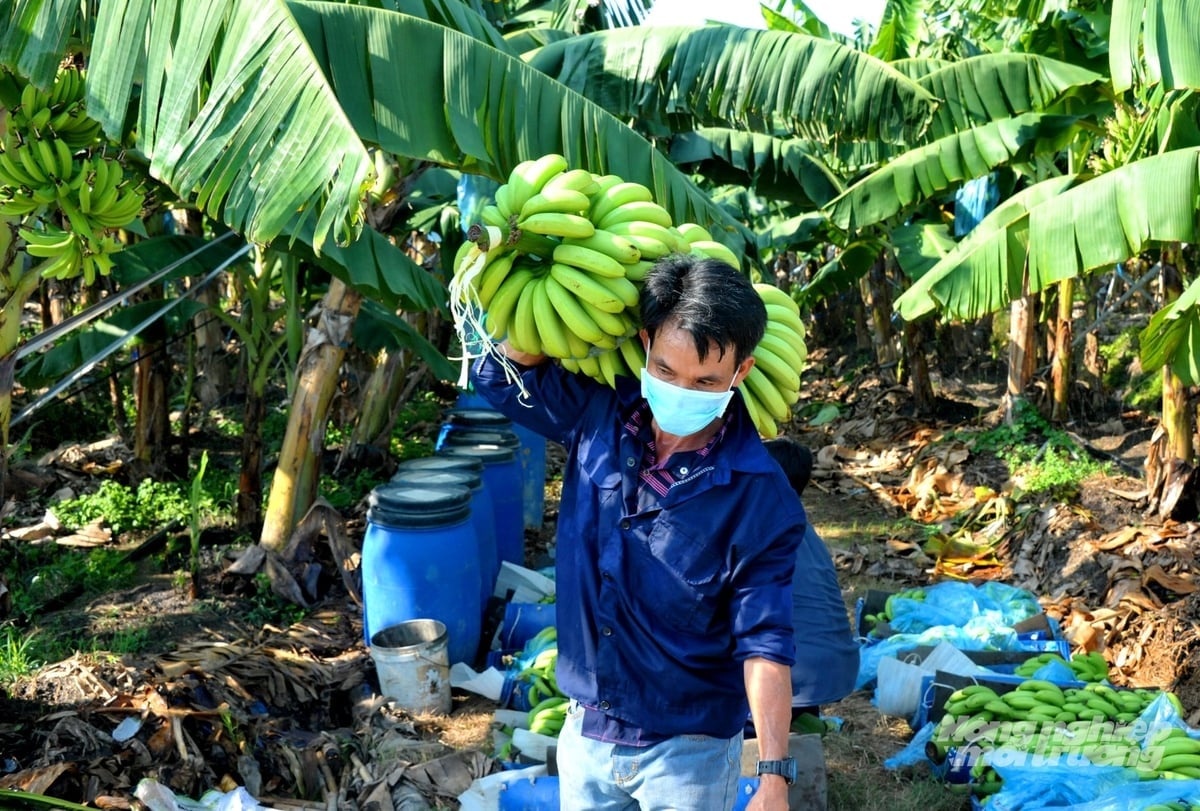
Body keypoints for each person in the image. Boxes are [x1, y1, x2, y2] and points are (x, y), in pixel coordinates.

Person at [471, 255, 800, 811]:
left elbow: (765, 644)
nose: (681, 393)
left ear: (739, 373)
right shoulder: (598, 411)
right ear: (646, 344)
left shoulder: (760, 496)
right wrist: (551, 299)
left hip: (688, 752)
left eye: (705, 382)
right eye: (666, 371)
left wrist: (772, 775)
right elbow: (500, 379)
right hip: (586, 734)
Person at [762, 437, 859, 727]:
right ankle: (801, 731)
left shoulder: (758, 525)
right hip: (832, 670)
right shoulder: (804, 529)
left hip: (790, 673)